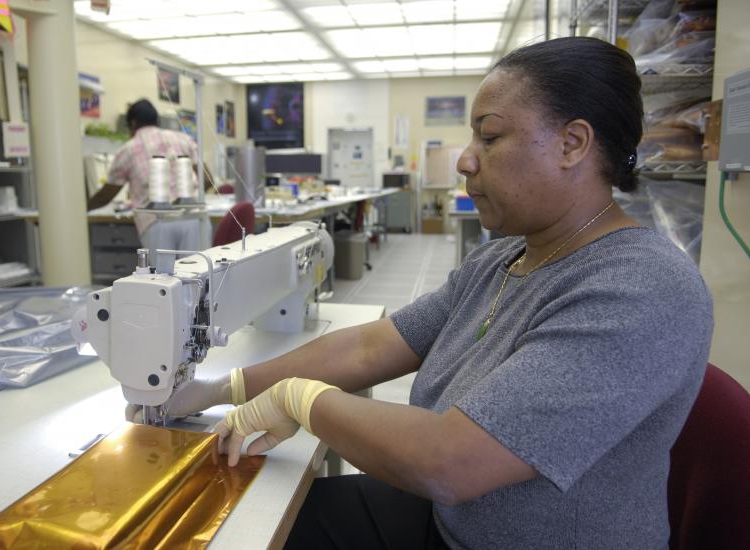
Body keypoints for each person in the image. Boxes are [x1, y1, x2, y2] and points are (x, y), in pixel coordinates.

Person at [155, 37, 714, 548]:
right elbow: (373, 347)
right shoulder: (504, 258)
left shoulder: (641, 288)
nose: (466, 158)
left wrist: (297, 398)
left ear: (572, 143)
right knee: (242, 526)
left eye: (489, 136)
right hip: (453, 524)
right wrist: (220, 388)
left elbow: (449, 462)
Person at [87, 99, 214, 267]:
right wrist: (186, 199)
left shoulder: (128, 149)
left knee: (165, 284)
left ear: (132, 124)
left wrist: (83, 209)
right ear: (157, 120)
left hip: (157, 222)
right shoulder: (183, 139)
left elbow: (106, 195)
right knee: (200, 279)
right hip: (194, 218)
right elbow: (207, 180)